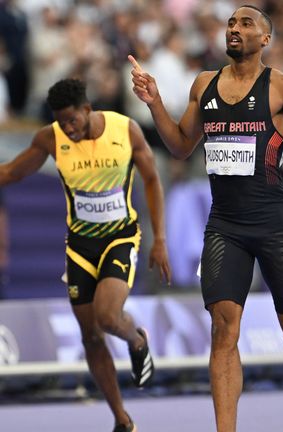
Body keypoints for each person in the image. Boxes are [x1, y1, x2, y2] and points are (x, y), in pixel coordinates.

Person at [128, 5, 283, 432]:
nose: (235, 29)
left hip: (273, 221)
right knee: (224, 330)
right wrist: (154, 103)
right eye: (231, 23)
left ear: (265, 39)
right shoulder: (204, 85)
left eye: (246, 24)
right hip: (225, 225)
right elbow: (180, 146)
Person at [0, 78, 170, 432]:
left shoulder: (126, 130)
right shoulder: (51, 137)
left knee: (108, 318)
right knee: (90, 337)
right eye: (61, 122)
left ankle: (137, 340)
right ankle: (122, 419)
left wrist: (160, 240)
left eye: (73, 121)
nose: (68, 128)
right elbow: (13, 172)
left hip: (120, 238)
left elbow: (152, 180)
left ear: (88, 110)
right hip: (79, 247)